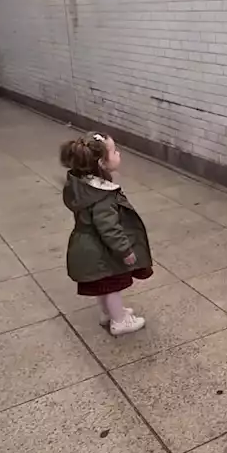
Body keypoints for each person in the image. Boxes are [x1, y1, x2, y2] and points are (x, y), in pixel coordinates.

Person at [61, 132, 152, 336]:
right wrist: (125, 250)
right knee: (112, 284)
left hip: (87, 244)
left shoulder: (81, 186)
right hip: (100, 250)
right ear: (101, 163)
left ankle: (108, 313)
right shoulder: (102, 196)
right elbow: (109, 228)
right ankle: (119, 321)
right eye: (113, 151)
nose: (118, 153)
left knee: (102, 284)